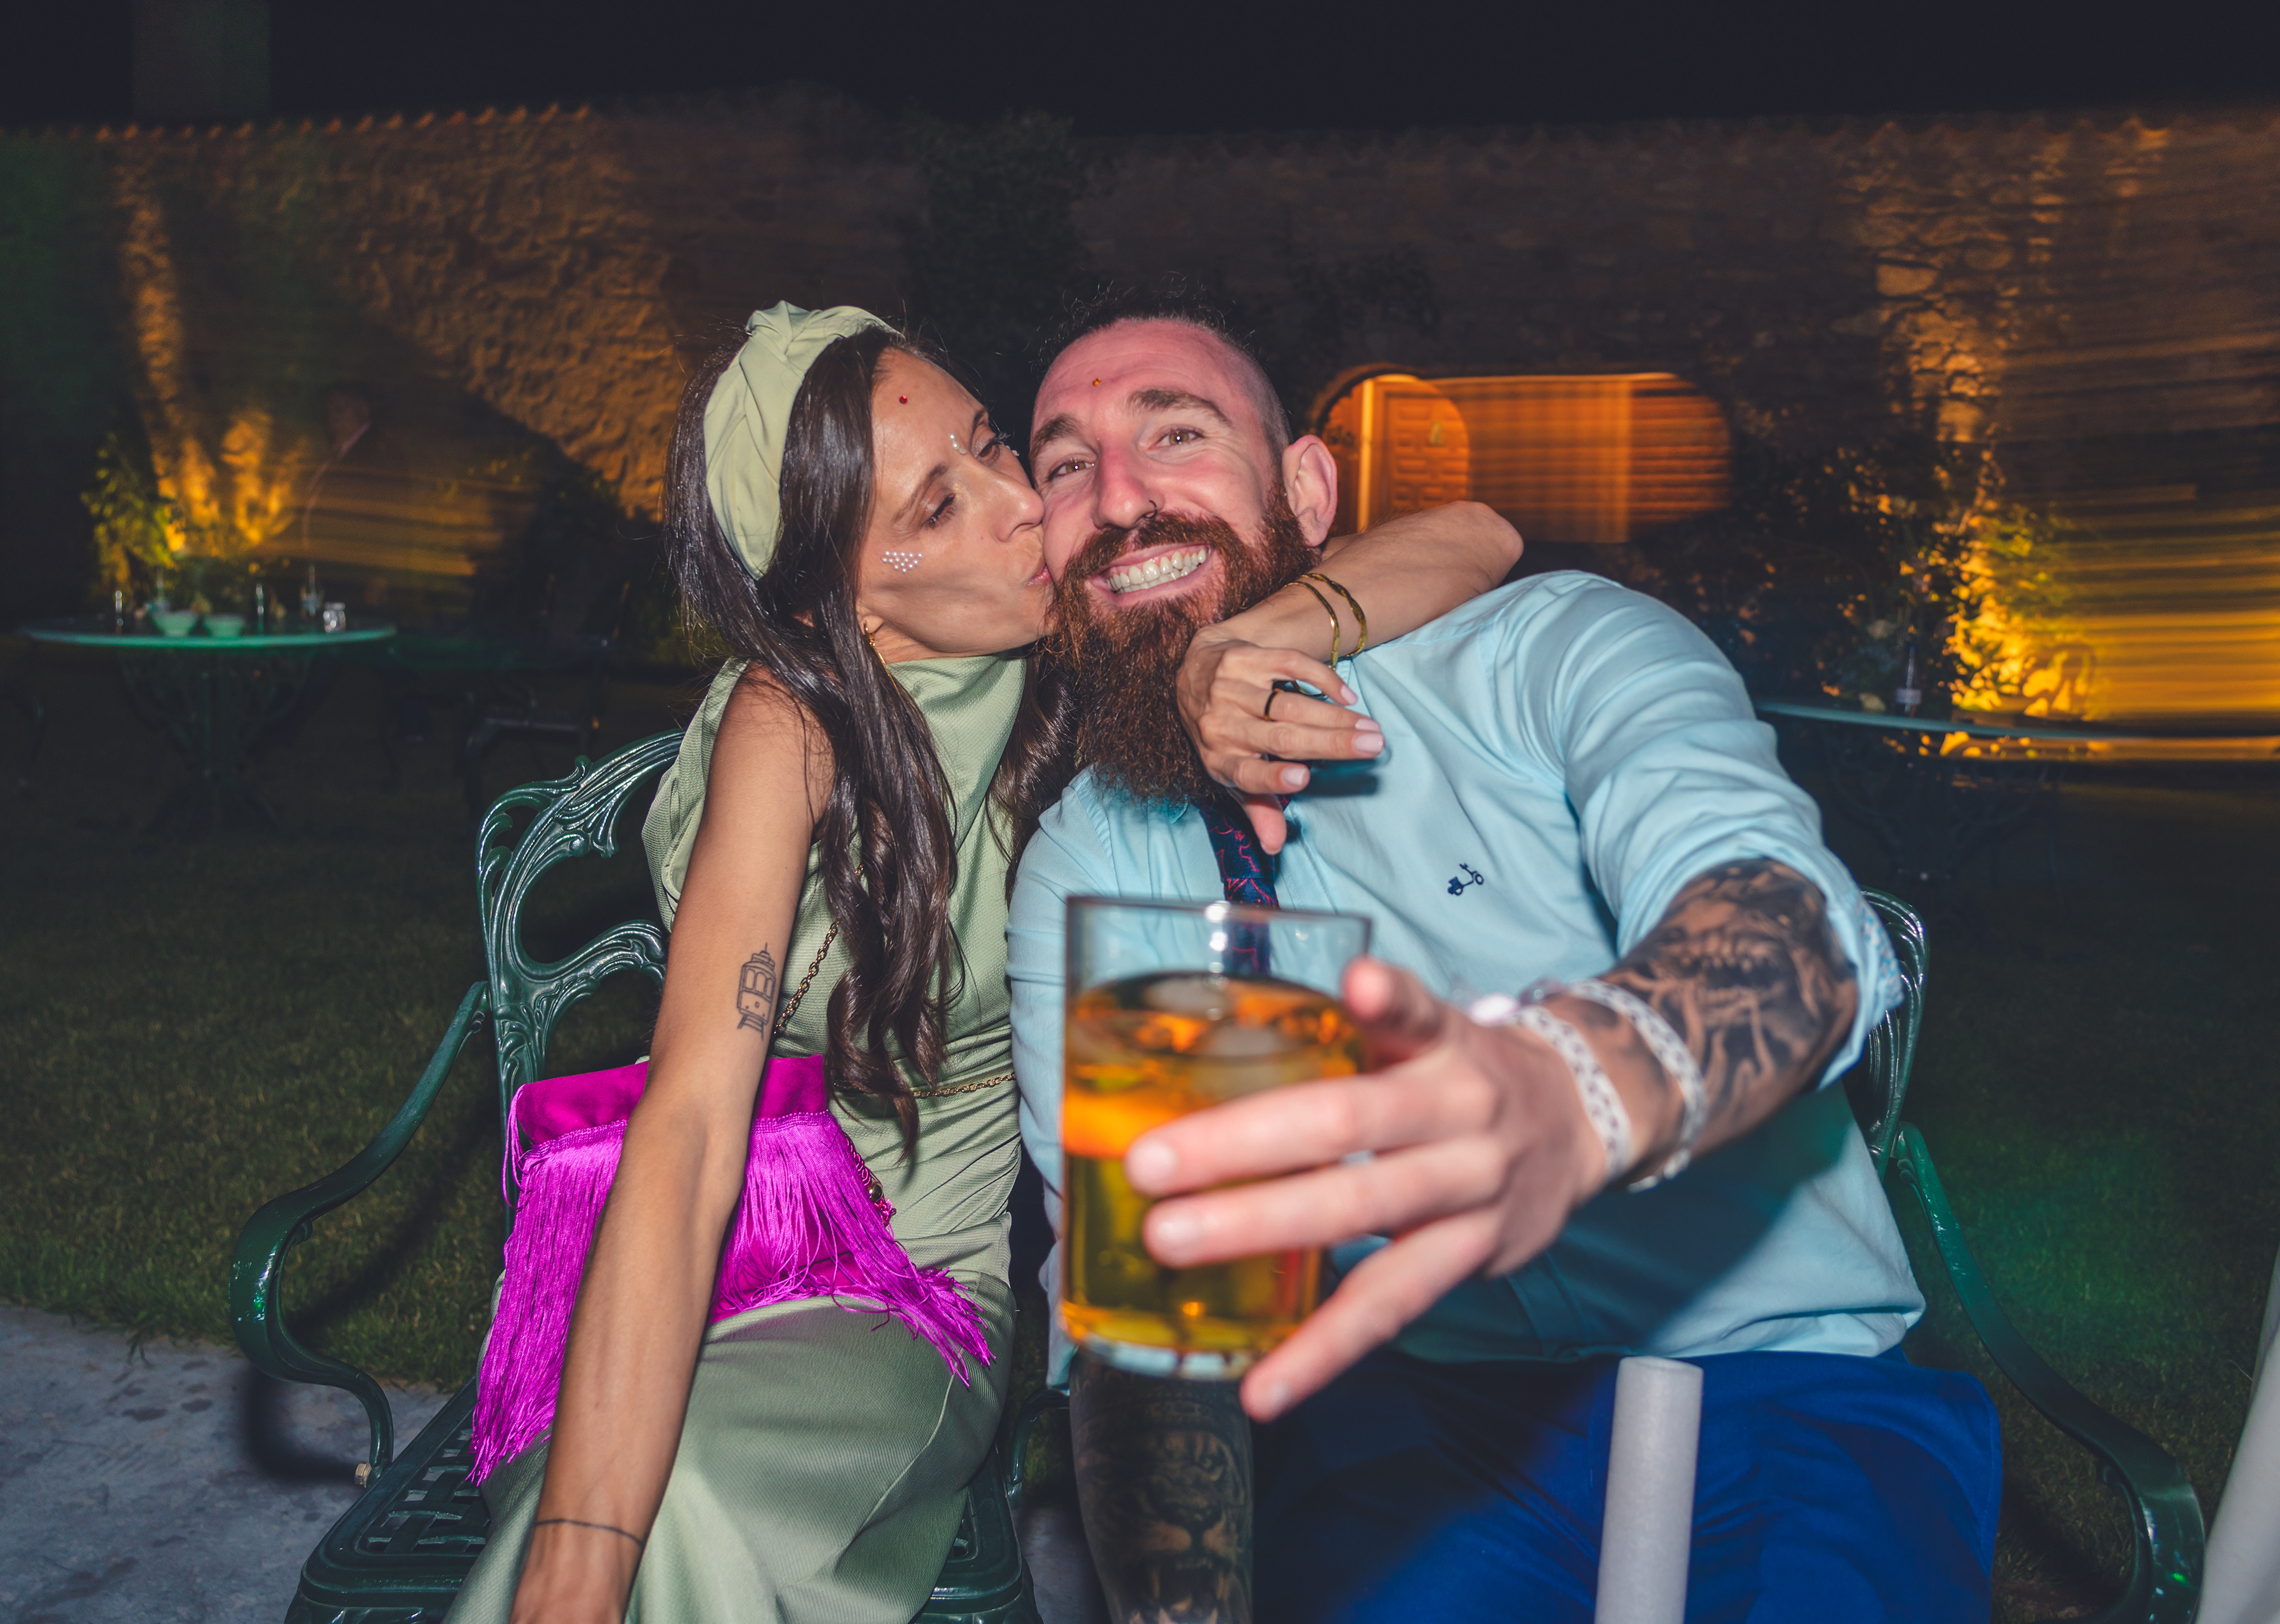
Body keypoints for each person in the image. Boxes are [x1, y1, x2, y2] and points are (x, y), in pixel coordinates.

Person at [445, 303, 1523, 1624]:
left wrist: (1251, 638)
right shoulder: (793, 725)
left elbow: (1481, 535)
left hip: (904, 1289)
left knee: (692, 1497)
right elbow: (691, 1127)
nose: (1023, 508)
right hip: (691, 1254)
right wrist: (580, 1541)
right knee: (595, 1530)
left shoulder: (1090, 641)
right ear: (840, 599)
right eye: (938, 507)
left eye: (992, 446)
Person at [1005, 294, 2003, 1623]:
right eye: (1067, 464)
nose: (1122, 498)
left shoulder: (1542, 654)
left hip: (1781, 1384)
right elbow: (1152, 1309)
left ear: (1306, 492)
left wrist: (1579, 1086)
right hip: (1419, 1425)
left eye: (1176, 433)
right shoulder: (1094, 857)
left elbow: (1794, 932)